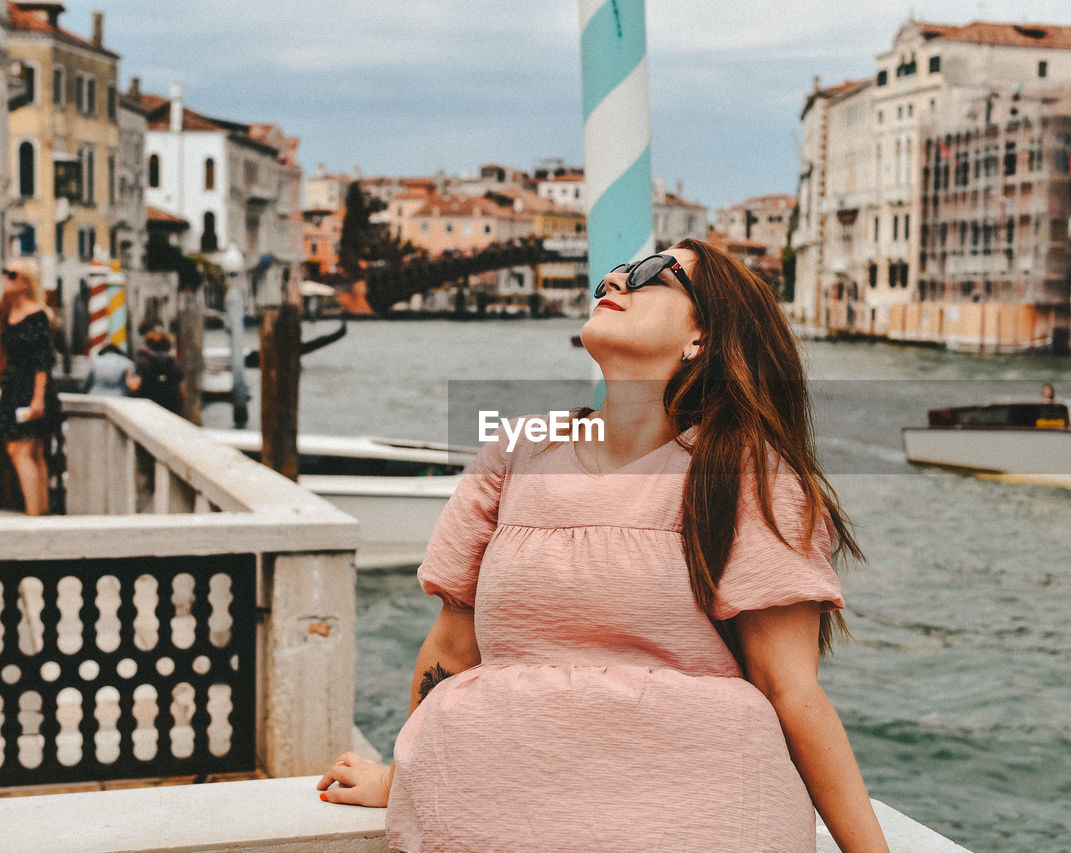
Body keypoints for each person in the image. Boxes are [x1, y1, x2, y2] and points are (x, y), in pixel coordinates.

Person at [318, 240, 890, 852]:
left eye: (651, 274)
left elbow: (791, 690)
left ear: (703, 337)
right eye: (614, 272)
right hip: (496, 815)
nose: (614, 280)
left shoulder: (741, 473)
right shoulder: (516, 453)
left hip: (700, 819)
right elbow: (452, 647)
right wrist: (403, 777)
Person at [1, 258, 62, 516]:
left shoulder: (36, 315)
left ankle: (34, 515)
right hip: (13, 386)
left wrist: (38, 400)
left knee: (20, 450)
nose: (5, 277)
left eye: (12, 274)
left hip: (31, 388)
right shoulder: (6, 312)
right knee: (33, 452)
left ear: (26, 283)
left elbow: (42, 361)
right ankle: (41, 512)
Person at [128, 328, 184, 414]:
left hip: (149, 407)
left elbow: (134, 386)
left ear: (149, 345)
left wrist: (127, 375)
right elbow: (182, 390)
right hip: (170, 407)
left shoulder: (144, 363)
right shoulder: (175, 363)